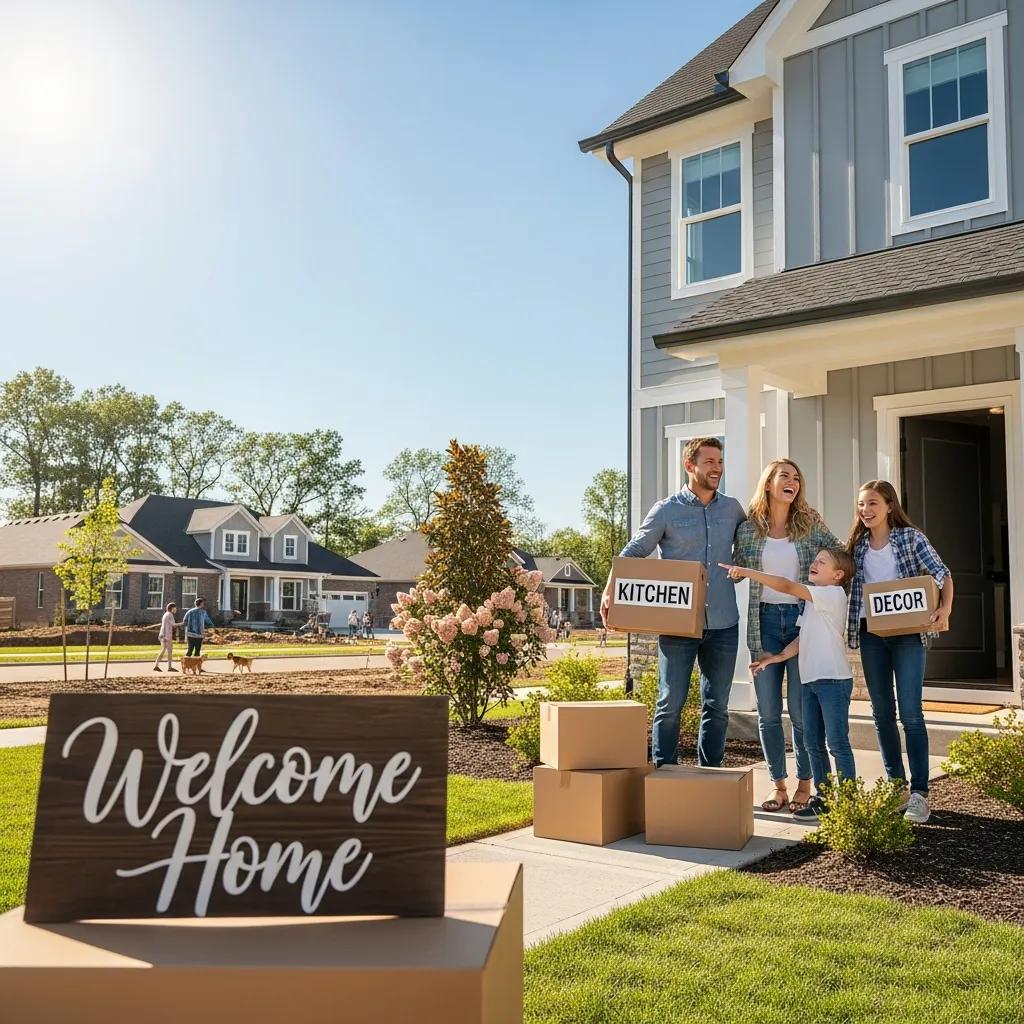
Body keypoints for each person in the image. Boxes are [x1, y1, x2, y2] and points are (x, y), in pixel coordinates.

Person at [601, 436, 746, 768]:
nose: (717, 468)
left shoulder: (733, 509)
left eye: (720, 462)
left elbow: (748, 550)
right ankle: (663, 775)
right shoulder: (666, 510)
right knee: (669, 703)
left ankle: (711, 775)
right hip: (679, 626)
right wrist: (610, 590)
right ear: (689, 465)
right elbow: (632, 553)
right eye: (709, 462)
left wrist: (740, 570)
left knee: (718, 706)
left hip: (724, 624)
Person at [733, 459, 841, 813]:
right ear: (769, 484)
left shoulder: (809, 525)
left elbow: (841, 553)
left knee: (799, 710)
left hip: (800, 620)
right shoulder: (748, 529)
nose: (792, 481)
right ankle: (777, 784)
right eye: (785, 476)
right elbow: (735, 567)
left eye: (797, 477)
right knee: (767, 712)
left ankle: (805, 783)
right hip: (762, 622)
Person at [846, 480, 953, 824]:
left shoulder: (910, 538)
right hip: (871, 635)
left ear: (890, 505)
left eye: (873, 503)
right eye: (861, 504)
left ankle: (920, 793)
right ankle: (897, 787)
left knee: (910, 713)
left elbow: (942, 573)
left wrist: (945, 610)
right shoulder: (857, 546)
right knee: (881, 713)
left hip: (907, 635)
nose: (866, 510)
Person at [724, 547, 858, 821]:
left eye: (822, 561)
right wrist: (775, 659)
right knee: (812, 742)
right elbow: (802, 639)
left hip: (832, 681)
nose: (815, 563)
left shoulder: (832, 595)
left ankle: (848, 802)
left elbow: (785, 586)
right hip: (810, 682)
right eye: (816, 559)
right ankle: (822, 797)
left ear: (838, 575)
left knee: (837, 743)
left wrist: (748, 573)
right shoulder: (813, 602)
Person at [181, 597, 215, 663]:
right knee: (197, 651)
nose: (204, 604)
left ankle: (186, 664)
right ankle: (196, 666)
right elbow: (208, 621)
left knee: (190, 650)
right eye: (203, 603)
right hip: (199, 635)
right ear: (201, 604)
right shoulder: (203, 612)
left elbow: (184, 621)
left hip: (190, 634)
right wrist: (213, 626)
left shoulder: (189, 612)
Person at [153, 601, 178, 673]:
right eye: (175, 608)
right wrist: (182, 623)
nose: (175, 609)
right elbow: (173, 625)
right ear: (172, 608)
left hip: (163, 635)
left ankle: (157, 665)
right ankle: (169, 667)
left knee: (164, 650)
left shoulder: (165, 614)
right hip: (166, 636)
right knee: (169, 651)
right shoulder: (170, 615)